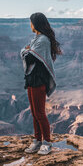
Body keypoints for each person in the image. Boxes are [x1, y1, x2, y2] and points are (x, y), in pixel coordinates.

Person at [20, 12, 62, 155]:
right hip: (32, 79)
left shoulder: (43, 40)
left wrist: (25, 50)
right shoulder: (36, 39)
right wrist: (26, 51)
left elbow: (29, 57)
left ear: (36, 24)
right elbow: (28, 53)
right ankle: (37, 141)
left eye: (31, 22)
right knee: (33, 112)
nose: (30, 25)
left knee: (40, 113)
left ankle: (47, 143)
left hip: (39, 79)